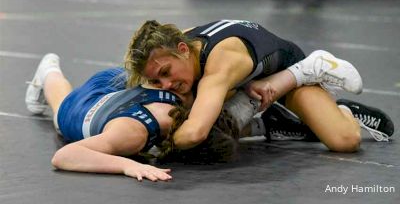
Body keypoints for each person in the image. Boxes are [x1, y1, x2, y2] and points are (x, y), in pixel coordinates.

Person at [124, 19, 394, 152]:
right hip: (246, 77)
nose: (167, 84)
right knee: (192, 111)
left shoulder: (219, 65)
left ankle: (312, 73)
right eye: (156, 80)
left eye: (166, 73)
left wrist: (152, 139)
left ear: (183, 50)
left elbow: (194, 133)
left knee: (345, 141)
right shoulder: (175, 45)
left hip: (284, 69)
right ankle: (271, 122)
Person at [24, 53, 209, 182]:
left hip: (117, 79)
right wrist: (127, 166)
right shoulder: (133, 135)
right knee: (60, 106)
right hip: (81, 107)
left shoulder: (187, 97)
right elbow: (63, 156)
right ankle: (48, 71)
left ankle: (49, 71)